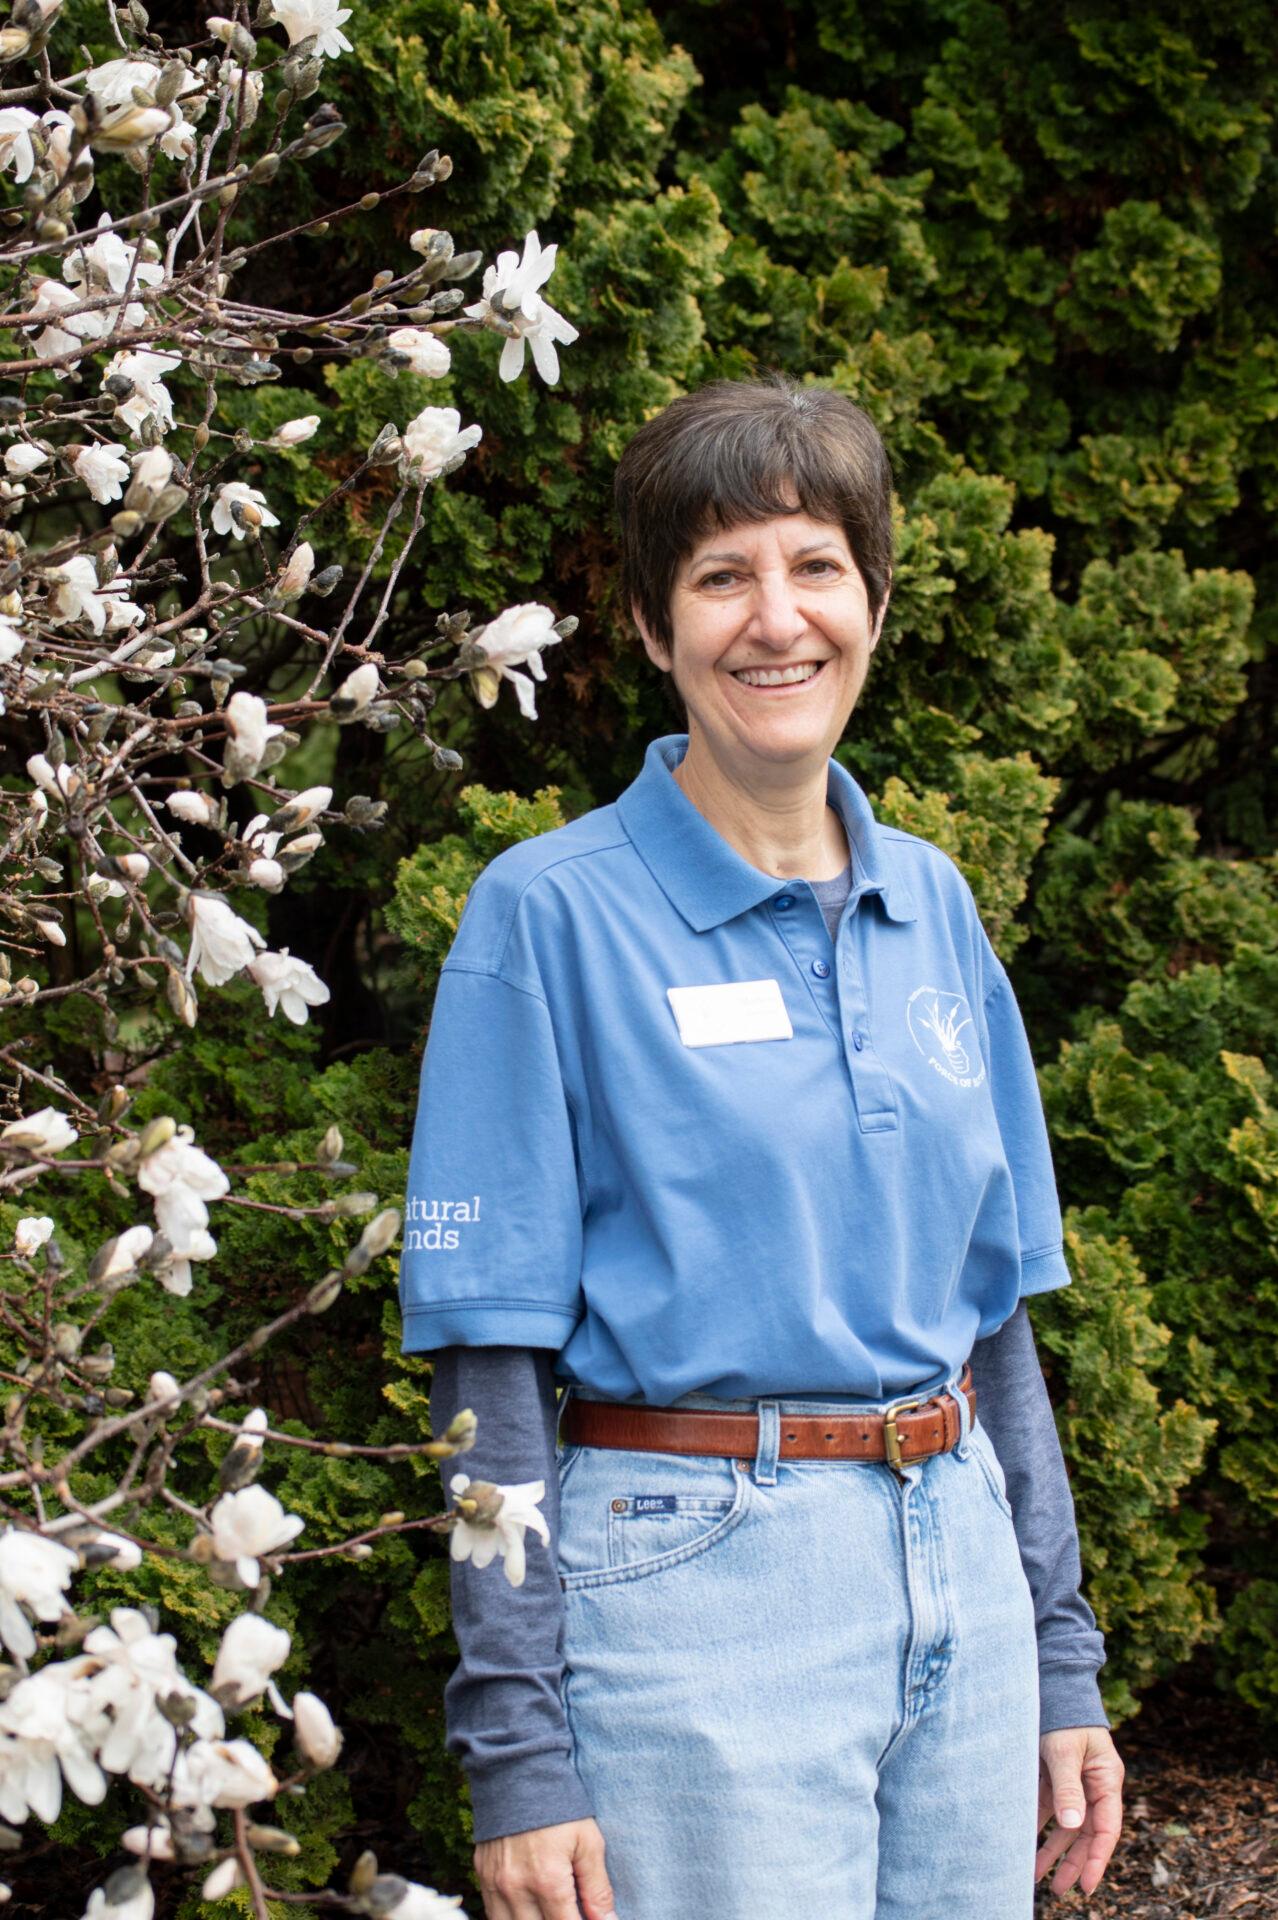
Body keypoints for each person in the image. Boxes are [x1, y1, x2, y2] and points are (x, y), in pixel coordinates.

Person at [399, 375, 1125, 1920]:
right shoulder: (546, 919)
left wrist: (1058, 1657)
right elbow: (487, 1369)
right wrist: (518, 1751)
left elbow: (993, 1321)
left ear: (871, 602)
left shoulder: (934, 903)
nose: (774, 618)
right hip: (691, 1593)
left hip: (960, 1574)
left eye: (813, 567)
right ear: (655, 634)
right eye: (720, 577)